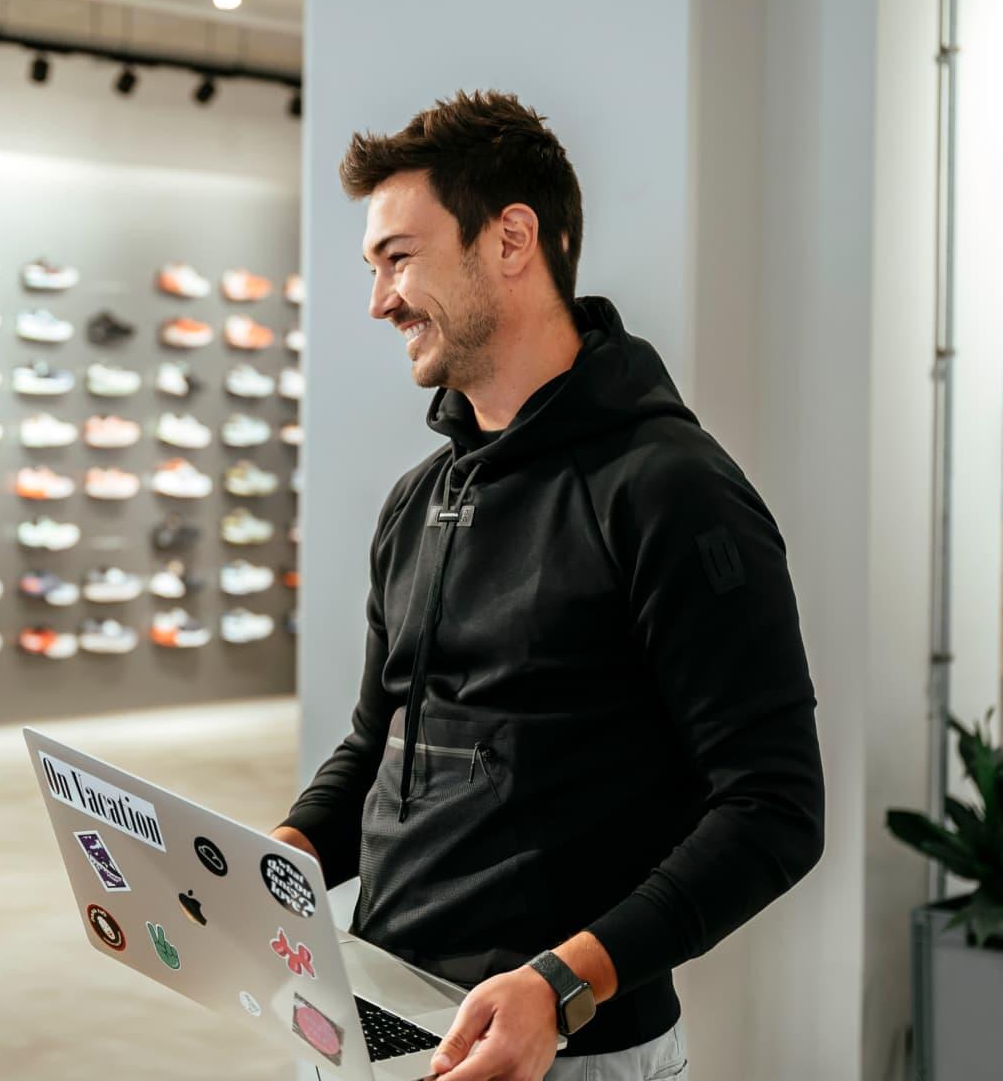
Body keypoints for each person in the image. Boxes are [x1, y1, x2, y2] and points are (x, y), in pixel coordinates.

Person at [272, 90, 825, 1081]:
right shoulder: (417, 500)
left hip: (563, 1053)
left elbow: (775, 808)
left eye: (399, 258)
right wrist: (283, 858)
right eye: (373, 267)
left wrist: (563, 985)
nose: (379, 300)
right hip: (379, 1025)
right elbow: (380, 740)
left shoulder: (671, 492)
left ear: (511, 239)